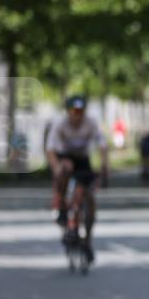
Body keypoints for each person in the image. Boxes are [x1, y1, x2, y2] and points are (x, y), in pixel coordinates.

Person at [46, 96, 109, 262]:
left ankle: (87, 240)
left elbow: (102, 144)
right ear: (68, 112)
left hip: (83, 160)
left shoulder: (91, 123)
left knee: (89, 199)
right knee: (66, 167)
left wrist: (104, 166)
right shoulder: (60, 124)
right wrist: (56, 170)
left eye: (81, 112)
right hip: (64, 158)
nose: (77, 116)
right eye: (74, 112)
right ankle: (60, 205)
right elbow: (50, 149)